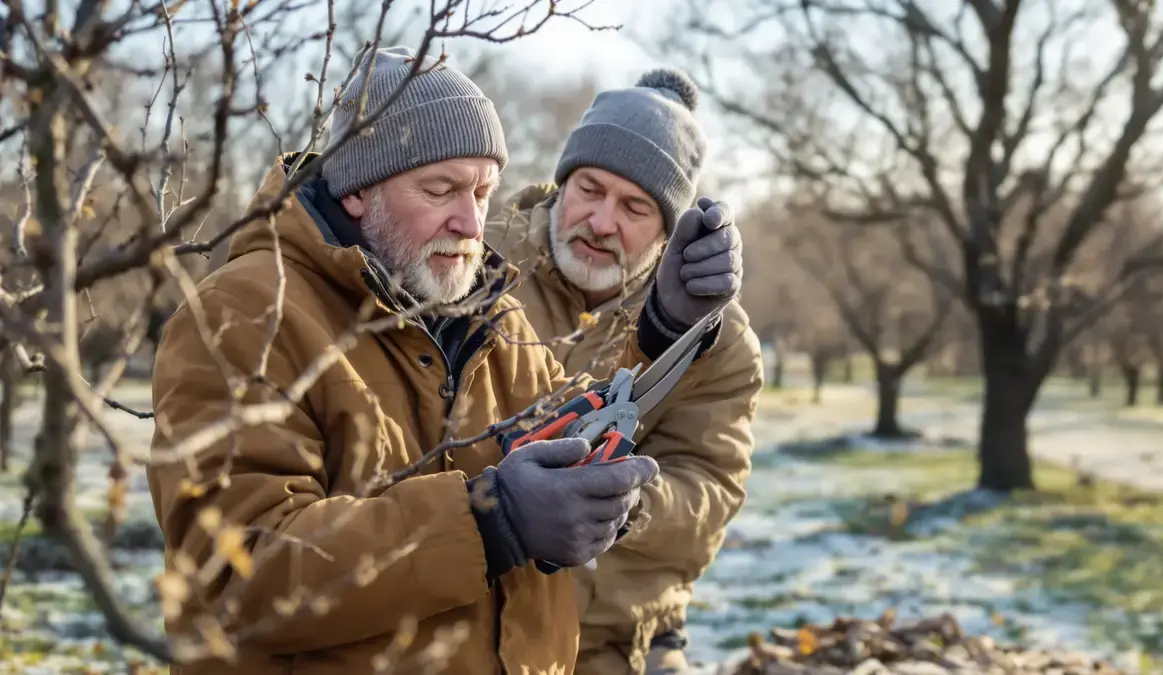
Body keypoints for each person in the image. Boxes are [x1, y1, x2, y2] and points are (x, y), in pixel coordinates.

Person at [145, 47, 743, 675]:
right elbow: (239, 569)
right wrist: (489, 521)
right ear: (356, 190)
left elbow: (573, 424)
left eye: (484, 192)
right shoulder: (241, 315)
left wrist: (666, 330)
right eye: (441, 189)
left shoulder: (489, 315)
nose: (470, 221)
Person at [485, 68, 764, 675]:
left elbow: (711, 488)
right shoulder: (477, 262)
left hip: (609, 635)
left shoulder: (719, 334)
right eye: (590, 188)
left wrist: (621, 502)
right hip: (466, 614)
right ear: (562, 183)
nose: (602, 221)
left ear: (668, 230)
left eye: (635, 206)